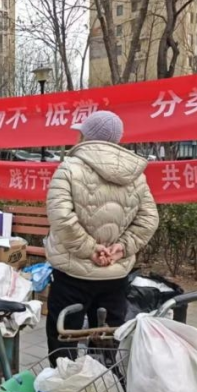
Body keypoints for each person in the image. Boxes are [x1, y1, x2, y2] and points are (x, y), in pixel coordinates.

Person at [44, 110, 159, 365]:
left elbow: (61, 218)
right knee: (107, 339)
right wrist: (121, 248)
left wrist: (91, 249)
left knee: (63, 337)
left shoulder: (69, 168)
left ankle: (64, 384)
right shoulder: (135, 175)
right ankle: (105, 384)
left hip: (72, 273)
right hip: (115, 275)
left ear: (85, 136)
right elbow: (149, 219)